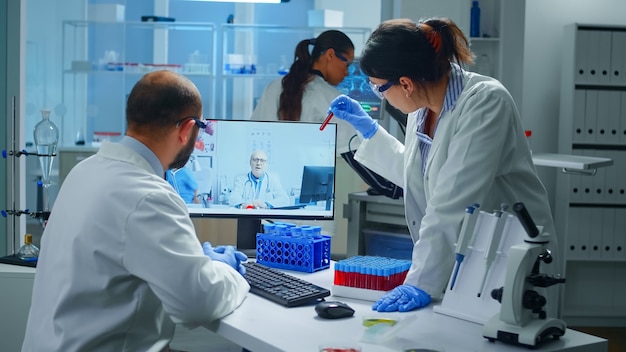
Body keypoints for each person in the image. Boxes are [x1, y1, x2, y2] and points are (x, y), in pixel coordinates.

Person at [328, 18, 560, 314]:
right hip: (463, 252)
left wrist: (421, 281)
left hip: (505, 250)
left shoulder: (485, 102)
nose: (380, 96)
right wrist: (371, 132)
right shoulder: (422, 107)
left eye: (378, 88)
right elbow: (421, 174)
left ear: (406, 84)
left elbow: (454, 200)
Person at [22, 70, 250, 352]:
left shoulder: (85, 171)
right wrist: (228, 271)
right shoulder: (149, 196)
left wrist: (196, 264)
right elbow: (197, 304)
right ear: (186, 128)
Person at [250, 30, 367, 253]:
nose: (348, 72)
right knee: (309, 274)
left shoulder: (274, 88)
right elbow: (355, 153)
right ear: (330, 55)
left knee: (272, 269)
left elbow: (254, 135)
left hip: (272, 202)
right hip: (312, 213)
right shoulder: (330, 99)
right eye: (347, 63)